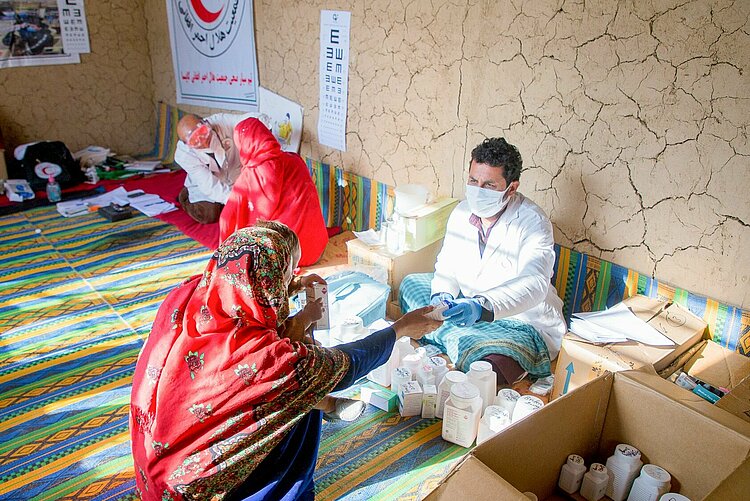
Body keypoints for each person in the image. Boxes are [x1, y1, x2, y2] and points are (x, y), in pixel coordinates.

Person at [130, 222, 441, 500]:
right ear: (271, 281)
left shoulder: (189, 295)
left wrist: (296, 295)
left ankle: (327, 405)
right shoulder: (266, 360)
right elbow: (342, 364)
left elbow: (260, 312)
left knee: (296, 381)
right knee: (298, 397)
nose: (295, 277)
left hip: (156, 475)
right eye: (289, 272)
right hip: (198, 490)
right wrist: (400, 328)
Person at [399, 137, 566, 385]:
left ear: (511, 188)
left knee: (489, 366)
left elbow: (534, 284)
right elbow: (446, 266)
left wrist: (482, 306)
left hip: (518, 321)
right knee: (411, 285)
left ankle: (458, 341)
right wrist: (442, 297)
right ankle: (458, 338)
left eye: (489, 184)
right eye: (473, 181)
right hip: (465, 304)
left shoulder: (533, 223)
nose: (478, 190)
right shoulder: (462, 213)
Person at [220, 117, 329, 266]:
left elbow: (227, 218)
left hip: (281, 261)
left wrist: (224, 252)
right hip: (315, 250)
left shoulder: (249, 175)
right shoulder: (295, 160)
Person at [174, 112, 270, 224]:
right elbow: (209, 185)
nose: (203, 142)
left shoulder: (221, 122)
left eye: (202, 133)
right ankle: (185, 196)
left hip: (234, 174)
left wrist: (262, 129)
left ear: (207, 124)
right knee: (209, 215)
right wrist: (239, 201)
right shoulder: (184, 155)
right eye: (194, 141)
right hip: (205, 182)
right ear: (187, 145)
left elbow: (249, 120)